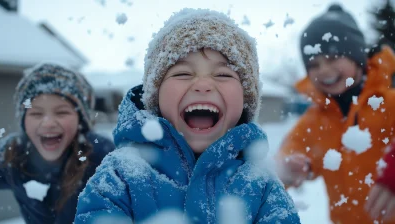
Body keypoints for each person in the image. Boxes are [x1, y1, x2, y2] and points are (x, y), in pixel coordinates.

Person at [74, 8, 300, 224]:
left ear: (245, 100)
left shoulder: (260, 184)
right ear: (155, 96)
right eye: (182, 73)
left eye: (222, 74)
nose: (203, 85)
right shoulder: (121, 175)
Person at [275, 3, 395, 223]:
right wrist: (288, 165)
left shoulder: (388, 103)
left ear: (357, 57)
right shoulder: (315, 119)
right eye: (314, 64)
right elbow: (292, 148)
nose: (323, 70)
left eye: (332, 58)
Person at [0, 63, 115, 224]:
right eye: (36, 113)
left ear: (81, 119)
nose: (48, 123)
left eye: (62, 112)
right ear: (24, 121)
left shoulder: (103, 157)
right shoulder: (12, 153)